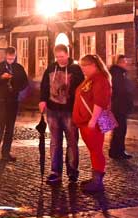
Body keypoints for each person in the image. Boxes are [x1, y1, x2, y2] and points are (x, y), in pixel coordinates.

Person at [39, 44, 85, 185]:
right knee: (55, 142)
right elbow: (44, 85)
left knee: (72, 141)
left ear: (67, 55)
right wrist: (42, 100)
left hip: (69, 110)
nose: (60, 60)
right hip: (53, 110)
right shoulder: (51, 67)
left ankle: (72, 171)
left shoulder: (75, 69)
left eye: (62, 57)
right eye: (57, 57)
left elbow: (81, 88)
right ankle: (55, 172)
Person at [72, 55, 112, 193]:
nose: (83, 69)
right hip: (85, 122)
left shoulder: (100, 79)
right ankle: (95, 177)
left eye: (85, 66)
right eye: (81, 66)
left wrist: (93, 120)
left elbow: (100, 101)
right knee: (93, 151)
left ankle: (97, 180)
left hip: (91, 123)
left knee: (96, 151)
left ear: (94, 65)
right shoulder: (90, 79)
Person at [0, 47, 29, 164]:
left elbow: (25, 82)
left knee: (10, 128)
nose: (11, 60)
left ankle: (6, 153)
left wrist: (16, 87)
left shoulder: (18, 68)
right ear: (5, 56)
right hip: (1, 100)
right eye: (9, 58)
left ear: (15, 56)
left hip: (13, 101)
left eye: (13, 58)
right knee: (0, 127)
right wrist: (1, 78)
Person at [108, 54, 135, 160]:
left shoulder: (119, 73)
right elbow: (121, 90)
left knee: (119, 130)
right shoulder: (117, 74)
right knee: (120, 129)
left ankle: (116, 150)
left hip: (120, 105)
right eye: (124, 62)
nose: (126, 64)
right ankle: (117, 151)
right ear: (118, 63)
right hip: (118, 106)